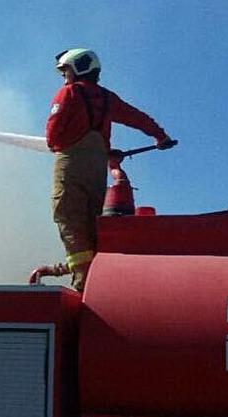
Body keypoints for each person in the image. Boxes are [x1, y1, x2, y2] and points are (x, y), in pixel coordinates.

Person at [46, 48, 172, 291]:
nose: (64, 78)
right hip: (97, 170)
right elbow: (136, 117)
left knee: (69, 217)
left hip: (71, 165)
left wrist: (58, 144)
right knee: (93, 221)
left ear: (79, 68)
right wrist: (160, 135)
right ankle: (95, 276)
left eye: (66, 72)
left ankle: (83, 282)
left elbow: (52, 134)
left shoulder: (68, 93)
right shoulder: (107, 99)